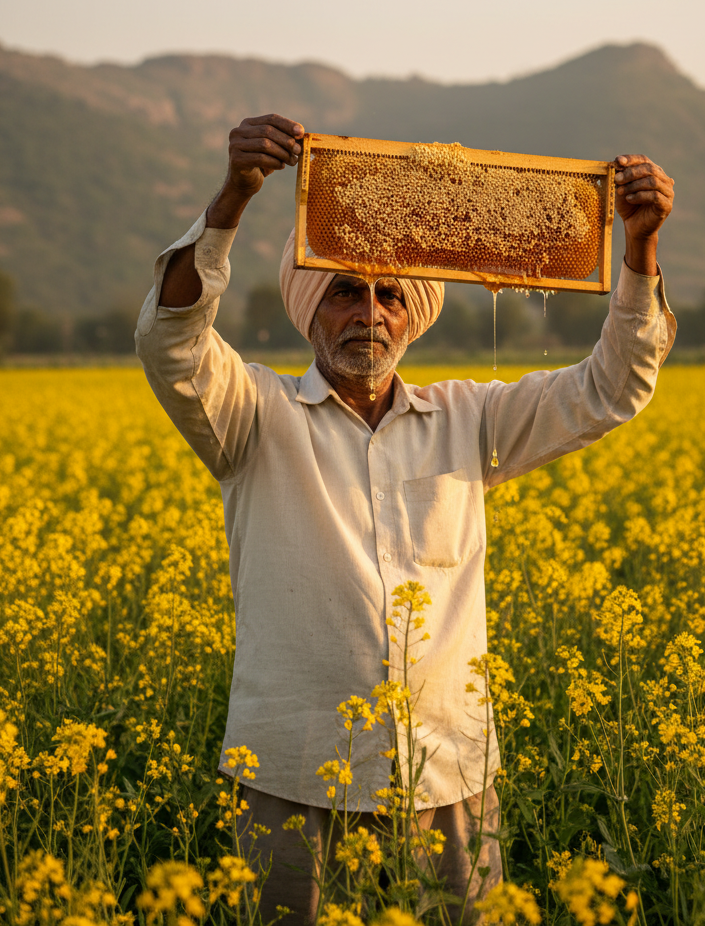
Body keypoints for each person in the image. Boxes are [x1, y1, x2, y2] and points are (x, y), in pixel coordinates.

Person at [135, 113, 676, 924]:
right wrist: (233, 200)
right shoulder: (253, 417)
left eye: (391, 294)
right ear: (311, 307)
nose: (371, 312)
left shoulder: (473, 422)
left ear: (411, 315)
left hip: (448, 775)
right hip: (292, 774)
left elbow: (611, 387)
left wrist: (637, 249)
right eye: (346, 290)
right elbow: (172, 341)